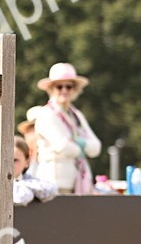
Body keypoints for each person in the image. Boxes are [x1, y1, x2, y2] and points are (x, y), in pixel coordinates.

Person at [33, 63, 100, 194]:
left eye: (69, 86)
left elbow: (96, 147)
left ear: (75, 89)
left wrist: (76, 143)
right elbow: (63, 146)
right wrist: (82, 145)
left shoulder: (76, 115)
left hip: (78, 182)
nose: (64, 90)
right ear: (51, 89)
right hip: (53, 183)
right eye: (59, 86)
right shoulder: (46, 114)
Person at [13, 136, 57, 206]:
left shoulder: (29, 180)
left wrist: (20, 185)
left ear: (27, 162)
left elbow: (51, 189)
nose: (9, 165)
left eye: (15, 160)